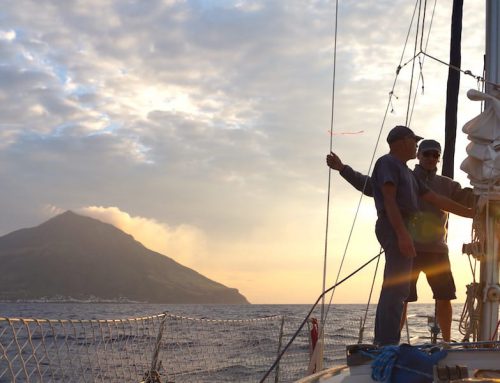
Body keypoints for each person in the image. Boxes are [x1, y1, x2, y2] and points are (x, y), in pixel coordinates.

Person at [327, 125, 474, 346]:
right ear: (404, 142)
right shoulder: (388, 163)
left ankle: (394, 342)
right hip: (400, 233)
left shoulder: (411, 175)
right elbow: (384, 195)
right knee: (397, 291)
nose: (421, 150)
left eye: (436, 154)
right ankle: (387, 344)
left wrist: (473, 213)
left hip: (425, 244)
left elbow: (438, 199)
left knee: (402, 290)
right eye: (419, 146)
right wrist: (403, 234)